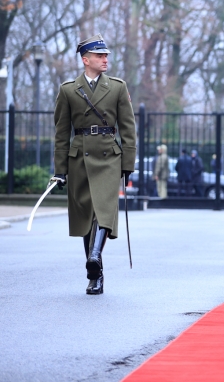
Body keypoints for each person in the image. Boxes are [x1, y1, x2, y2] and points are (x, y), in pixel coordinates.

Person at [52, 34, 136, 295]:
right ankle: (95, 274)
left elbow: (128, 128)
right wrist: (59, 171)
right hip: (80, 158)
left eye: (106, 55)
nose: (105, 59)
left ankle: (95, 256)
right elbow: (61, 132)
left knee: (103, 209)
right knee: (86, 215)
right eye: (100, 56)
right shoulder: (68, 90)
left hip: (109, 157)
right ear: (85, 59)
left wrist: (128, 163)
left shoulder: (118, 87)